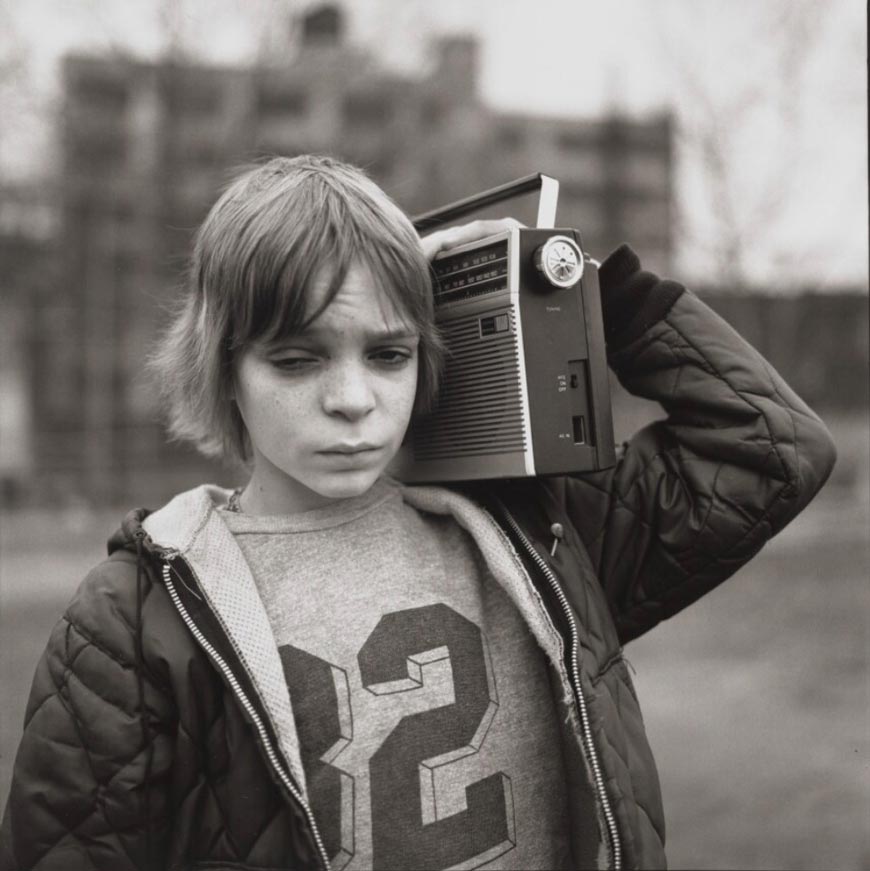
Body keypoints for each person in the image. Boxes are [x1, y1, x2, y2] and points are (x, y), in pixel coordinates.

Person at [0, 154, 836, 871]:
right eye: (297, 359)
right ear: (224, 370)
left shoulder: (534, 536)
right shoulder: (135, 619)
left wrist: (579, 285)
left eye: (388, 353)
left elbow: (770, 451)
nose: (353, 399)